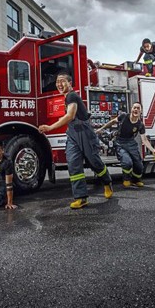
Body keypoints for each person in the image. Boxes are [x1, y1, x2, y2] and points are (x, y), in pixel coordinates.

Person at [38, 72, 114, 209]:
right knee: (73, 164)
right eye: (57, 81)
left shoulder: (72, 96)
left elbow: (70, 115)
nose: (59, 84)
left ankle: (107, 182)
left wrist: (50, 127)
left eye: (62, 81)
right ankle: (81, 197)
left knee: (94, 162)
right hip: (73, 134)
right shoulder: (67, 97)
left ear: (70, 83)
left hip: (84, 133)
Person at [96, 102, 155, 187]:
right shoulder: (123, 116)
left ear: (141, 112)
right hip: (120, 142)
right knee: (127, 162)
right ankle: (126, 179)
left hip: (131, 143)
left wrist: (153, 150)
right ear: (131, 109)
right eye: (134, 107)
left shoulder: (140, 125)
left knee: (139, 166)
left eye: (138, 108)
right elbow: (112, 122)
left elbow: (144, 140)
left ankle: (136, 180)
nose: (136, 110)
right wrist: (101, 129)